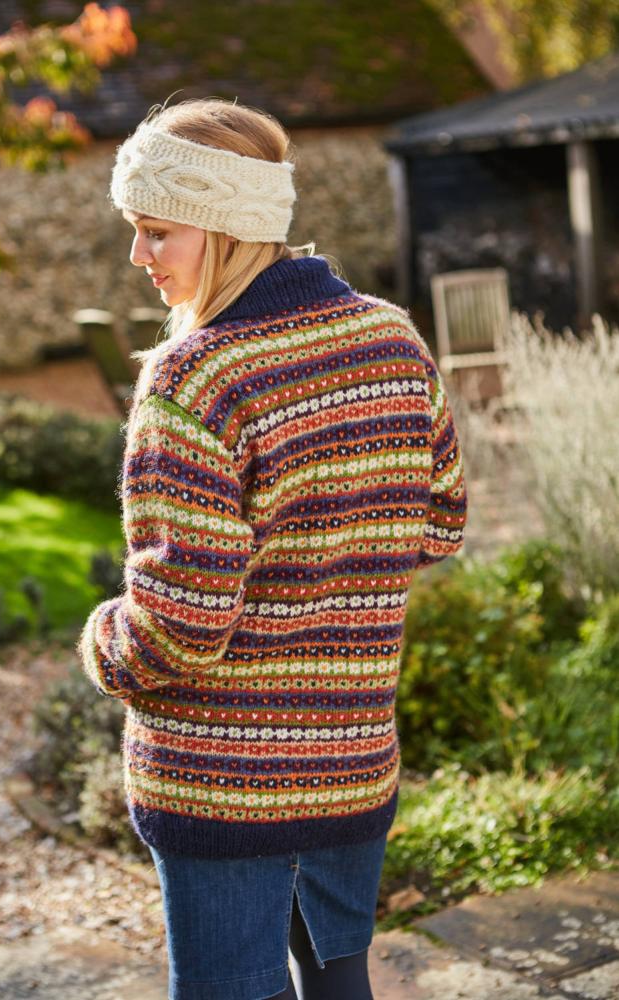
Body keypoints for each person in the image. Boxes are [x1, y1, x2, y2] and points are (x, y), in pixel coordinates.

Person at [77, 96, 468, 1000]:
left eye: (155, 231)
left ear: (226, 228)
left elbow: (176, 628)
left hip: (220, 781)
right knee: (339, 987)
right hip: (349, 758)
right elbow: (439, 523)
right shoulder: (390, 338)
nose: (138, 256)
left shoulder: (195, 380)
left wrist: (101, 641)